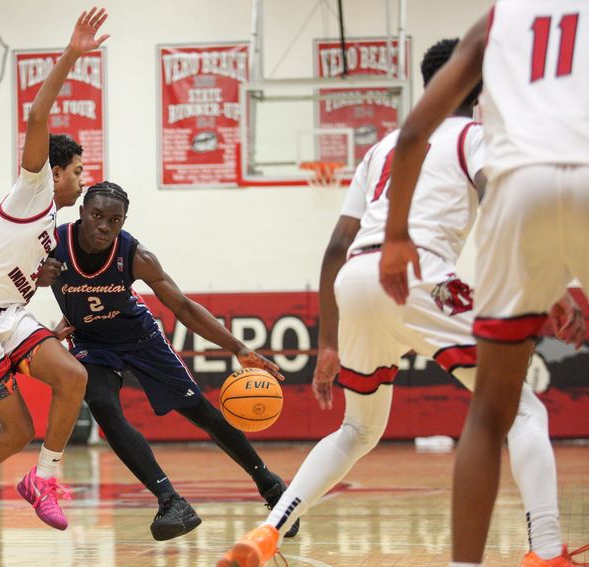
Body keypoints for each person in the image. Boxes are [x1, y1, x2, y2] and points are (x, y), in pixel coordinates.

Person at [218, 37, 585, 567]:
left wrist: (327, 344)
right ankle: (547, 552)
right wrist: (551, 288)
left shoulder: (382, 148)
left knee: (358, 428)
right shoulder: (476, 134)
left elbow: (335, 248)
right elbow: (505, 204)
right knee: (522, 408)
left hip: (355, 280)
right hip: (418, 274)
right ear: (484, 88)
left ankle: (267, 532)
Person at [378, 4, 589, 566]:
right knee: (518, 412)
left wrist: (397, 234)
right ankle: (547, 549)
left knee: (490, 410)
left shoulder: (501, 20)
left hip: (518, 190)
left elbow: (414, 131)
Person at [0, 8, 109, 547]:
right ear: (55, 173)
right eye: (78, 170)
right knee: (17, 429)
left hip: (6, 316)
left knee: (73, 377)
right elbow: (37, 114)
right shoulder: (33, 192)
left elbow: (21, 280)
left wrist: (50, 304)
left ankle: (43, 477)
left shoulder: (51, 227)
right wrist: (73, 56)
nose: (84, 177)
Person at [35, 181, 299, 541]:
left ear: (124, 221)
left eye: (115, 220)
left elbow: (184, 307)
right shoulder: (51, 245)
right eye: (97, 216)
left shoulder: (136, 256)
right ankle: (170, 500)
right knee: (103, 407)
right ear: (81, 213)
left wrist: (238, 348)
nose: (104, 226)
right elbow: (9, 278)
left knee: (201, 413)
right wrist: (36, 280)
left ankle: (270, 486)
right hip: (92, 344)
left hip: (141, 339)